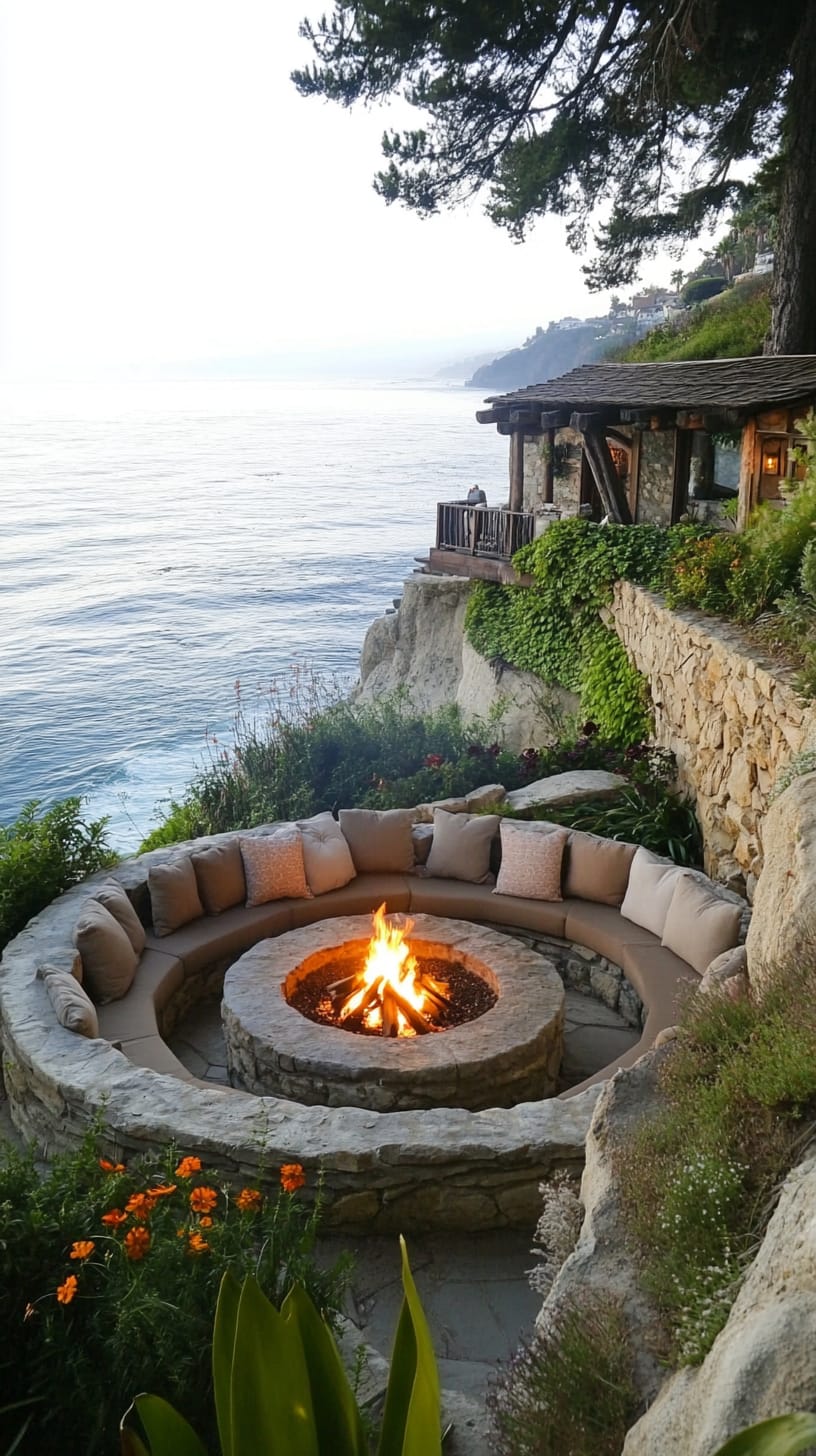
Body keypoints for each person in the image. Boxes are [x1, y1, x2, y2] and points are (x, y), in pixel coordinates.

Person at [466, 484, 487, 552]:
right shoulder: (480, 495)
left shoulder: (478, 496)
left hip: (477, 517)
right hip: (478, 516)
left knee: (476, 530)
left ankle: (473, 544)